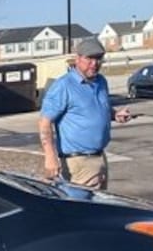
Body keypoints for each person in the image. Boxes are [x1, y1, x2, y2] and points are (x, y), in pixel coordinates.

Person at [38, 37, 131, 190]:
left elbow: (100, 108)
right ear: (77, 59)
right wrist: (50, 156)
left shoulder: (101, 82)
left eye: (98, 59)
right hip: (78, 162)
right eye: (89, 58)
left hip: (100, 157)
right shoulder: (64, 86)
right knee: (85, 209)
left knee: (101, 208)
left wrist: (114, 114)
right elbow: (44, 122)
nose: (94, 64)